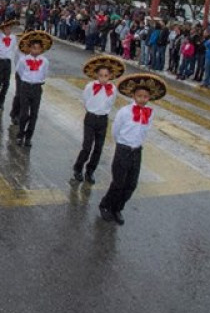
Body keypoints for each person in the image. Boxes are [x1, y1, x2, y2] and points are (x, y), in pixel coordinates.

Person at [99, 73, 167, 225]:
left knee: (131, 184)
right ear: (133, 96)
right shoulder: (125, 111)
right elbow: (116, 130)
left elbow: (145, 129)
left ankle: (118, 207)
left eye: (145, 96)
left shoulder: (150, 112)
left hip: (137, 150)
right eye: (139, 96)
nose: (143, 99)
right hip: (123, 149)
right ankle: (105, 205)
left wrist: (137, 144)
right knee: (118, 182)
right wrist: (121, 144)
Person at [72, 55, 124, 186]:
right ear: (96, 75)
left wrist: (102, 112)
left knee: (99, 147)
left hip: (103, 119)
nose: (103, 78)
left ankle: (90, 171)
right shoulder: (90, 86)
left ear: (110, 76)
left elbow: (111, 102)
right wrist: (91, 110)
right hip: (90, 118)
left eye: (106, 76)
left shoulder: (112, 88)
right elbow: (85, 99)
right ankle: (78, 168)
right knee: (87, 146)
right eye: (101, 75)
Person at [14, 30, 52, 148]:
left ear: (41, 49)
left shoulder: (45, 61)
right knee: (24, 113)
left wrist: (37, 81)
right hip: (26, 87)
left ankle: (28, 137)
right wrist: (27, 80)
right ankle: (20, 134)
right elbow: (19, 71)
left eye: (38, 48)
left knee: (34, 114)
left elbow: (44, 73)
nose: (35, 50)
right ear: (29, 48)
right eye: (33, 48)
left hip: (36, 88)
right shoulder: (23, 60)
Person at [0, 19, 17, 111]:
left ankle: (1, 100)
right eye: (7, 28)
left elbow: (14, 49)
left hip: (7, 61)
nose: (9, 30)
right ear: (3, 29)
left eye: (10, 28)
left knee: (6, 82)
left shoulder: (13, 38)